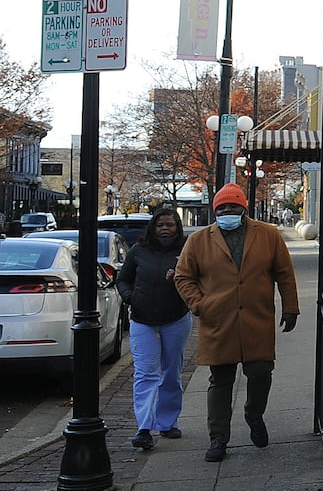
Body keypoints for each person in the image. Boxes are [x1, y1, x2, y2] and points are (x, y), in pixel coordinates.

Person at [174, 182, 299, 463]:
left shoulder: (267, 234)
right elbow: (183, 277)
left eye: (232, 206)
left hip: (257, 319)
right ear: (215, 210)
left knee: (261, 373)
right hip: (218, 320)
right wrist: (199, 304)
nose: (226, 210)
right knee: (220, 381)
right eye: (221, 207)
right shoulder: (199, 240)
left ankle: (254, 414)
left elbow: (285, 273)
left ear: (243, 207)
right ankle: (218, 438)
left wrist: (290, 307)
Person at [116, 206, 193, 451]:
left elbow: (201, 278)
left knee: (171, 372)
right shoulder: (139, 250)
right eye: (160, 225)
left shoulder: (187, 250)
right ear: (153, 227)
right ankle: (144, 428)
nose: (165, 229)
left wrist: (180, 277)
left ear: (177, 227)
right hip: (142, 320)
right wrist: (130, 297)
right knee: (146, 373)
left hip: (176, 319)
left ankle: (168, 422)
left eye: (170, 225)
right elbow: (122, 279)